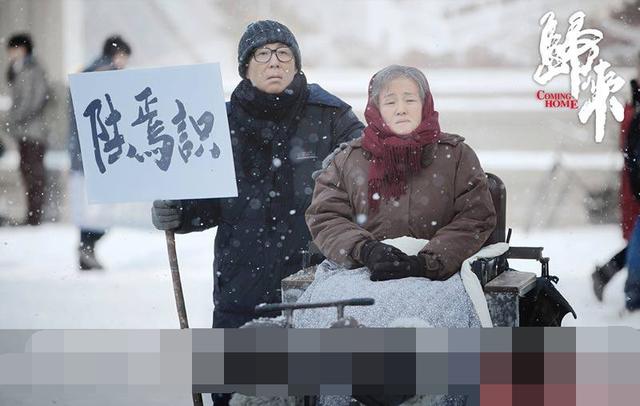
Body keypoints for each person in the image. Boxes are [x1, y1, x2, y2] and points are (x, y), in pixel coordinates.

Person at [152, 20, 363, 327]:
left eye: (283, 53)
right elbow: (210, 202)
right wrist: (179, 212)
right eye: (262, 53)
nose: (274, 61)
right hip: (241, 291)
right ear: (245, 68)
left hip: (316, 289)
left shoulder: (330, 116)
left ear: (296, 64)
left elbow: (369, 172)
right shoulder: (217, 122)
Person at [305, 64, 496, 302]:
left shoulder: (456, 156)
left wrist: (425, 263)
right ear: (376, 109)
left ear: (425, 104)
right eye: (390, 102)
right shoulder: (347, 160)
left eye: (410, 100)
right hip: (361, 273)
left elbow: (475, 217)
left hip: (442, 277)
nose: (401, 110)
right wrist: (366, 250)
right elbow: (325, 216)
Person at [68, 35, 132, 270]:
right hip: (103, 154)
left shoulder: (85, 74)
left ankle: (86, 250)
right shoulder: (108, 76)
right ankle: (87, 248)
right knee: (100, 210)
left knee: (88, 208)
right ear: (117, 55)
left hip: (82, 152)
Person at [591, 67, 640, 301]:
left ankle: (607, 273)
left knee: (636, 239)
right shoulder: (634, 114)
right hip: (634, 186)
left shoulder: (631, 110)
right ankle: (628, 289)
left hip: (632, 184)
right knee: (636, 240)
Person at [5, 33, 49, 226]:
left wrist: (14, 118)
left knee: (34, 174)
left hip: (34, 131)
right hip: (24, 131)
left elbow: (34, 100)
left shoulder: (34, 69)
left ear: (22, 48)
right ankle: (32, 215)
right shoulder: (19, 68)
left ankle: (35, 216)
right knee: (27, 172)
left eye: (13, 49)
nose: (10, 53)